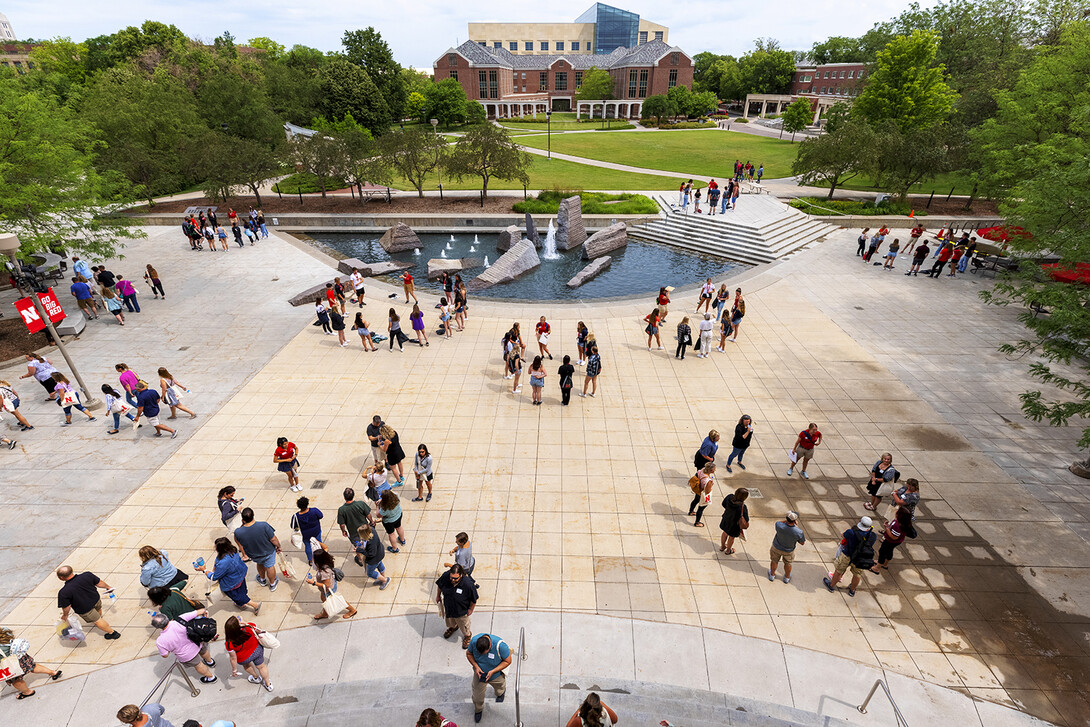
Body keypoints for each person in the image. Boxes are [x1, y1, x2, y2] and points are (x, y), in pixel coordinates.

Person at [195, 537, 261, 613]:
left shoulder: (222, 563)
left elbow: (214, 577)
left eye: (216, 546)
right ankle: (241, 604)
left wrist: (204, 570)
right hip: (241, 574)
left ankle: (255, 605)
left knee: (236, 596)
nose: (214, 547)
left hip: (231, 582)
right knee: (241, 589)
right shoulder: (233, 550)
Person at [151, 611, 217, 684]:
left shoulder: (160, 641)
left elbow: (165, 655)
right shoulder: (181, 619)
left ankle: (211, 677)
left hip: (187, 655)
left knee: (198, 665)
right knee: (204, 651)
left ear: (157, 627)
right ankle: (210, 662)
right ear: (166, 618)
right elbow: (200, 611)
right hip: (197, 642)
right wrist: (205, 612)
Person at [55, 566, 120, 640]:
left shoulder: (64, 592)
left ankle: (112, 633)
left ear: (61, 578)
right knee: (98, 610)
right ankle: (99, 618)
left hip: (85, 609)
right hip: (96, 600)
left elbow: (67, 606)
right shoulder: (87, 575)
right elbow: (99, 583)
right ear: (72, 571)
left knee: (97, 621)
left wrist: (65, 615)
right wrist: (108, 587)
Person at [0, 626, 62, 699]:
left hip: (10, 664)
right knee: (33, 666)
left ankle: (27, 692)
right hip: (20, 657)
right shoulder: (4, 630)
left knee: (16, 681)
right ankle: (53, 672)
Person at [824, 517, 877, 597]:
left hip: (847, 555)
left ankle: (831, 586)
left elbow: (843, 535)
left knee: (839, 571)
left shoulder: (851, 532)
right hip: (860, 558)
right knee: (857, 575)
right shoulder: (873, 536)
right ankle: (852, 590)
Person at [467, 632, 511, 723]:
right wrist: (476, 666)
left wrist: (493, 671)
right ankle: (478, 710)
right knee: (477, 696)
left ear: (490, 646)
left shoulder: (501, 646)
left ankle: (500, 693)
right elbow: (469, 654)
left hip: (496, 675)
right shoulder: (474, 641)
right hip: (480, 675)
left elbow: (508, 661)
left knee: (500, 686)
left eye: (485, 653)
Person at [233, 508, 281, 590]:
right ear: (253, 514)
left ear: (243, 519)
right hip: (268, 552)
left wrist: (242, 525)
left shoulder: (238, 532)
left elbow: (237, 539)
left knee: (260, 564)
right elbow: (273, 539)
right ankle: (272, 584)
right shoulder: (264, 525)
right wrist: (278, 546)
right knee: (269, 566)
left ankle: (262, 580)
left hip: (253, 554)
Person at [223, 616, 273, 691]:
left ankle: (256, 677)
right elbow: (259, 629)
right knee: (262, 667)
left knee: (247, 666)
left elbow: (233, 658)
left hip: (244, 658)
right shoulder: (248, 628)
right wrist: (245, 622)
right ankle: (268, 684)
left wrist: (234, 670)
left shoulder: (229, 643)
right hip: (257, 650)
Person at [306, 545, 357, 619]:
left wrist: (313, 583)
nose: (312, 558)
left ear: (318, 560)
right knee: (323, 599)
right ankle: (325, 613)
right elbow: (326, 548)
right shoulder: (325, 559)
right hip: (330, 585)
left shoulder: (324, 572)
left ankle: (352, 610)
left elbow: (326, 585)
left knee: (337, 600)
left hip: (329, 588)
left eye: (313, 557)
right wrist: (317, 541)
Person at [435, 563, 479, 648]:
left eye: (455, 578)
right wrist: (438, 596)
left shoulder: (468, 584)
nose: (452, 580)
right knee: (450, 621)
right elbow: (440, 585)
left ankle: (467, 636)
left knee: (464, 625)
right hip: (449, 607)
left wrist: (471, 609)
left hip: (461, 611)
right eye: (451, 577)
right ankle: (453, 627)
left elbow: (474, 599)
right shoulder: (446, 576)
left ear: (461, 575)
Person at [871, 508, 913, 574]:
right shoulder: (904, 522)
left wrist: (886, 528)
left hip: (890, 541)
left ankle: (877, 567)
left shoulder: (898, 526)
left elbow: (893, 537)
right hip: (895, 542)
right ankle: (884, 564)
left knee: (882, 552)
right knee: (889, 551)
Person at [768, 511, 805, 583]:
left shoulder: (778, 525)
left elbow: (781, 522)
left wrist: (787, 521)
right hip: (789, 550)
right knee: (788, 563)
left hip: (776, 547)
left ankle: (772, 575)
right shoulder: (799, 532)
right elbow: (802, 543)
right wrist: (795, 526)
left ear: (786, 518)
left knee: (774, 561)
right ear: (795, 520)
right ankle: (787, 578)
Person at [354, 524, 392, 589]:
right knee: (379, 564)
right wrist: (360, 544)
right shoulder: (372, 530)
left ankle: (385, 580)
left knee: (370, 573)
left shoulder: (371, 543)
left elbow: (371, 554)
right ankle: (382, 578)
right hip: (380, 552)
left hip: (374, 558)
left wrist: (360, 550)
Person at [292, 496, 324, 565]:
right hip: (316, 532)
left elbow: (293, 526)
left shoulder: (296, 516)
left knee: (308, 546)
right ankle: (321, 557)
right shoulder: (314, 511)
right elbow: (321, 516)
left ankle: (311, 560)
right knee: (319, 544)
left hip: (305, 535)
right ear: (307, 504)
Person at [719, 487, 749, 555]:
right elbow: (746, 519)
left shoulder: (729, 497)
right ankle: (728, 551)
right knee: (731, 537)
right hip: (735, 524)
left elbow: (723, 504)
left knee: (724, 533)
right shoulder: (742, 507)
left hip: (726, 519)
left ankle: (722, 546)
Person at [688, 463, 716, 527]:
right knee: (701, 508)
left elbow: (696, 476)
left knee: (695, 501)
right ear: (710, 470)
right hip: (702, 493)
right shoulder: (707, 481)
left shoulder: (701, 470)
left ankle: (691, 511)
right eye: (714, 469)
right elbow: (707, 491)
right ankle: (697, 522)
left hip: (698, 491)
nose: (715, 470)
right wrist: (711, 485)